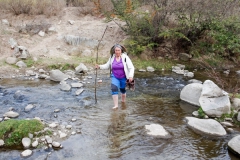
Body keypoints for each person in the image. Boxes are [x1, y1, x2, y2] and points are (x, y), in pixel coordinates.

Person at [96, 44, 134, 109]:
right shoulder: (112, 57)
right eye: (116, 50)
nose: (117, 52)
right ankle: (116, 105)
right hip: (115, 76)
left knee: (123, 91)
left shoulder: (125, 57)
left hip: (123, 77)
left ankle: (123, 102)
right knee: (114, 88)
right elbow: (107, 65)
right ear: (114, 51)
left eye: (118, 50)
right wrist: (99, 66)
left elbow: (131, 67)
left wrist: (130, 76)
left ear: (121, 51)